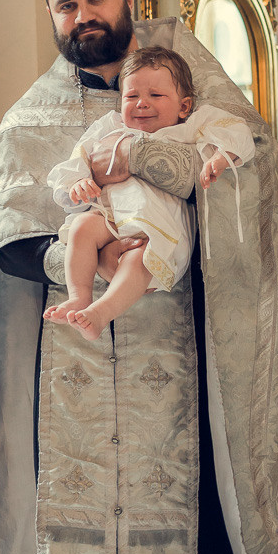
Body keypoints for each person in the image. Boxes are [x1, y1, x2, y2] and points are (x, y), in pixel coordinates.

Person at [0, 0, 278, 554]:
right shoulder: (27, 122)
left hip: (182, 353)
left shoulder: (195, 95)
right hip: (69, 370)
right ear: (52, 17)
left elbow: (250, 178)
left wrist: (164, 169)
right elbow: (0, 234)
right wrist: (83, 253)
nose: (83, 16)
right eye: (66, 6)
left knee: (202, 533)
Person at [45, 46, 255, 341]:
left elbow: (237, 131)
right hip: (111, 214)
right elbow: (79, 155)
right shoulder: (110, 126)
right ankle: (79, 296)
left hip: (159, 224)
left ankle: (101, 313)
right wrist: (77, 181)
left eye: (155, 96)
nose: (142, 104)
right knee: (80, 227)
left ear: (184, 106)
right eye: (131, 97)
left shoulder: (189, 126)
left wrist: (221, 157)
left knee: (139, 258)